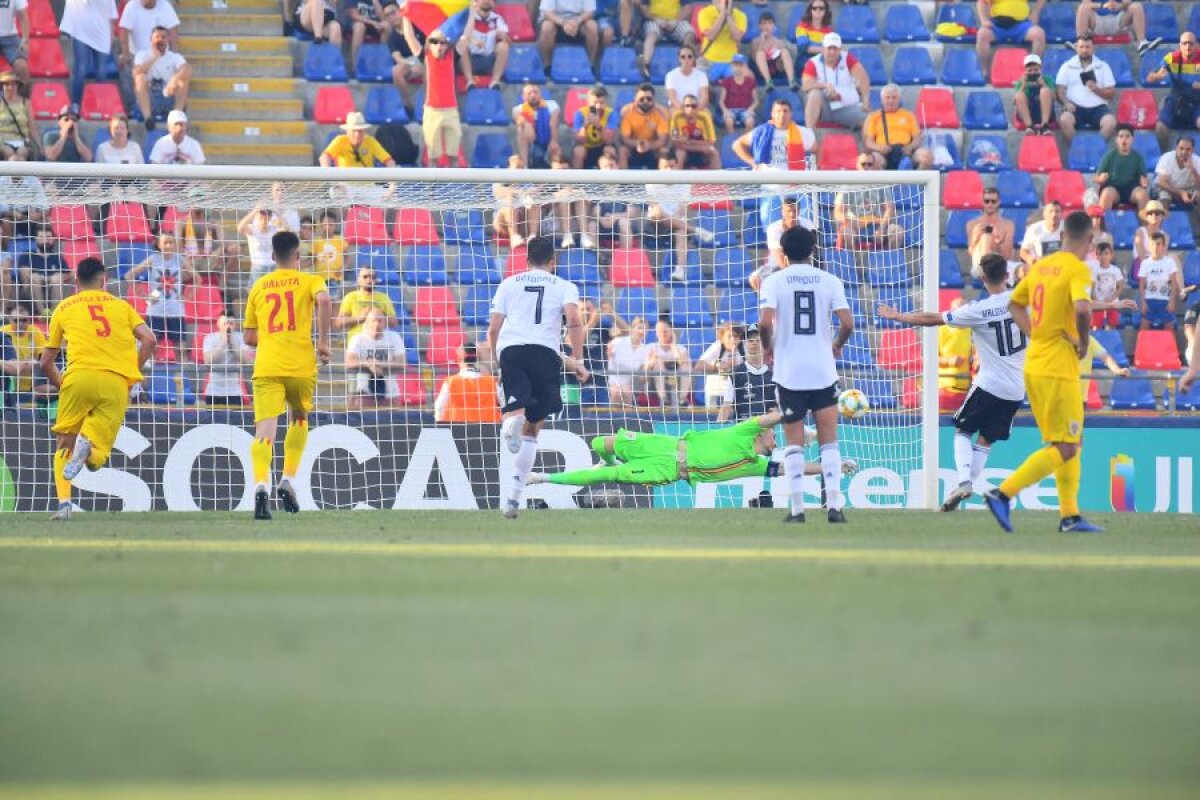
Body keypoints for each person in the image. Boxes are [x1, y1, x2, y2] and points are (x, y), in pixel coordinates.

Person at [984, 210, 1103, 534]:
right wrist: (1083, 341)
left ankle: (1070, 516)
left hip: (1036, 364)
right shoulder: (1077, 268)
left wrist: (1035, 334)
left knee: (1069, 440)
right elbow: (1083, 308)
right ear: (1089, 239)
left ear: (1062, 235)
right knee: (1066, 446)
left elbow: (1014, 304)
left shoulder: (1040, 267)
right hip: (1058, 369)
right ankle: (1002, 493)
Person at [879, 253, 1028, 512]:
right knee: (985, 441)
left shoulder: (978, 310)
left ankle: (963, 481)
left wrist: (899, 316)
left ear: (983, 278)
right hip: (1016, 390)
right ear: (1007, 275)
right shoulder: (1024, 302)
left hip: (989, 384)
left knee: (963, 431)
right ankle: (966, 484)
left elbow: (933, 319)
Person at [38, 258, 157, 520]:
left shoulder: (63, 307)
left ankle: (64, 505)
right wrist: (131, 374)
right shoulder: (122, 306)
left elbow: (45, 362)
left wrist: (64, 385)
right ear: (104, 281)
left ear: (75, 282)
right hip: (115, 383)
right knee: (97, 458)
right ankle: (88, 450)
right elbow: (150, 339)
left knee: (64, 443)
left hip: (78, 378)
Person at [488, 236, 588, 518]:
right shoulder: (564, 286)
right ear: (553, 261)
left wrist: (499, 363)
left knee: (514, 414)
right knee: (533, 430)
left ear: (526, 260)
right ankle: (513, 499)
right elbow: (575, 321)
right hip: (545, 355)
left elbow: (493, 329)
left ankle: (511, 423)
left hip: (512, 352)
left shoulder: (508, 284)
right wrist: (578, 359)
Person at [758, 226, 852, 523]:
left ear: (783, 253)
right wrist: (837, 344)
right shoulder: (830, 280)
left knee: (795, 441)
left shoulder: (773, 281)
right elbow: (848, 323)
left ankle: (797, 510)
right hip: (823, 370)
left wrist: (767, 348)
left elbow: (764, 323)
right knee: (829, 441)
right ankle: (834, 507)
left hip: (790, 372)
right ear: (812, 251)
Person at [243, 231, 332, 520]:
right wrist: (323, 342)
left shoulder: (259, 285)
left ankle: (261, 486)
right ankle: (287, 479)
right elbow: (325, 301)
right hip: (300, 366)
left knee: (264, 433)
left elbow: (248, 337)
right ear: (298, 256)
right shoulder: (311, 280)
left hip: (268, 366)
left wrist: (272, 336)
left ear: (272, 256)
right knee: (299, 418)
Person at [529, 410, 784, 487]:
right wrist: (792, 410)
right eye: (775, 435)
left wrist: (816, 464)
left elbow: (791, 468)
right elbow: (770, 418)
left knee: (607, 476)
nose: (776, 441)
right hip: (664, 444)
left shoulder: (756, 464)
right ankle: (609, 461)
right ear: (763, 432)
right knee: (599, 443)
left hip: (666, 469)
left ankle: (541, 477)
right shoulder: (745, 431)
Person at [125, 232, 196, 347]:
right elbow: (129, 275)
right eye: (165, 243)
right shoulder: (153, 259)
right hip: (155, 309)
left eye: (171, 242)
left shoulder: (180, 259)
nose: (168, 245)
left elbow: (197, 278)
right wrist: (141, 294)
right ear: (159, 245)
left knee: (180, 348)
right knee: (151, 346)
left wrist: (188, 297)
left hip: (176, 310)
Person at [800, 32, 870, 132]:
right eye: (829, 48)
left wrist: (866, 100)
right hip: (824, 108)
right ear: (823, 49)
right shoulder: (813, 62)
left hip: (845, 106)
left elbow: (863, 77)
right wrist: (825, 85)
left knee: (871, 121)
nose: (832, 52)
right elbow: (806, 84)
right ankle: (809, 133)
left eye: (835, 49)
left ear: (840, 49)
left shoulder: (847, 58)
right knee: (814, 94)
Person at [1056, 34, 1117, 143]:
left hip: (1098, 108)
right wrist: (1066, 102)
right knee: (1064, 120)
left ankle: (1096, 148)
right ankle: (1077, 147)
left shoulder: (1103, 66)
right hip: (1074, 107)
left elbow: (1111, 94)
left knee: (1110, 122)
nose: (1084, 50)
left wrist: (1096, 89)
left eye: (1088, 47)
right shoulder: (1067, 66)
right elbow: (1060, 90)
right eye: (1081, 47)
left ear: (1093, 48)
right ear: (1076, 48)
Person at [345, 307, 407, 409]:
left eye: (380, 321)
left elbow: (402, 363)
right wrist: (368, 364)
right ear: (366, 322)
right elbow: (349, 362)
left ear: (385, 322)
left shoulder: (394, 337)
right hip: (363, 394)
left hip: (391, 394)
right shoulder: (357, 339)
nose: (377, 324)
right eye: (373, 321)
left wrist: (379, 364)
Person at [862, 84, 933, 170]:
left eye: (894, 97)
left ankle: (916, 177)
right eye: (887, 97)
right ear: (882, 100)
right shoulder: (874, 117)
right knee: (872, 160)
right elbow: (868, 142)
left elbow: (917, 138)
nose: (891, 100)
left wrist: (911, 147)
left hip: (906, 151)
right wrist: (880, 148)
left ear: (899, 99)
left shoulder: (909, 115)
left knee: (926, 156)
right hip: (884, 153)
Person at [62, 0, 119, 106]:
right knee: (80, 70)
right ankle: (75, 105)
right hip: (81, 32)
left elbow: (111, 15)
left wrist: (111, 33)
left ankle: (101, 105)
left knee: (101, 71)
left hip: (101, 33)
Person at [133, 25, 190, 126]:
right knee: (139, 78)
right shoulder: (142, 55)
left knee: (182, 81)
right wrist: (154, 57)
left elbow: (187, 69)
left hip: (168, 95)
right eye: (157, 37)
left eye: (163, 37)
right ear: (151, 39)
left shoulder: (174, 57)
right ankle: (148, 119)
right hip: (149, 98)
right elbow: (135, 72)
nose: (160, 40)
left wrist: (174, 79)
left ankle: (176, 118)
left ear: (168, 39)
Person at [716, 322, 772, 422]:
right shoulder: (735, 373)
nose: (754, 343)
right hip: (743, 427)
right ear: (745, 344)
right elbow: (726, 405)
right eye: (750, 340)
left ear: (765, 344)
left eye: (758, 340)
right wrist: (717, 427)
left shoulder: (774, 374)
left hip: (769, 428)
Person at [833, 170, 902, 251]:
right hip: (855, 223)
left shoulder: (882, 183)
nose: (867, 167)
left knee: (897, 231)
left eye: (870, 164)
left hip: (878, 222)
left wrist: (881, 228)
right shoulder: (848, 185)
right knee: (846, 232)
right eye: (864, 164)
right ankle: (853, 257)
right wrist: (848, 221)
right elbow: (838, 212)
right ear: (858, 165)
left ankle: (888, 257)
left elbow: (889, 209)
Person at [421, 31, 462, 168]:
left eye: (442, 42)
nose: (438, 45)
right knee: (433, 157)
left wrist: (470, 18)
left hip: (451, 110)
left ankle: (454, 183)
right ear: (429, 44)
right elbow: (410, 38)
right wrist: (406, 19)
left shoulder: (452, 56)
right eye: (434, 42)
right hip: (432, 111)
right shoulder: (426, 57)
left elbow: (465, 37)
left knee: (454, 156)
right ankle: (431, 184)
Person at [1148, 32, 1200, 137]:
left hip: (1197, 101)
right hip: (1176, 99)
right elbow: (1150, 78)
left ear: (1196, 45)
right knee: (1160, 127)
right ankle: (1164, 149)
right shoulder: (1171, 58)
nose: (1188, 46)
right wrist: (1158, 76)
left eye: (1191, 43)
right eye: (1184, 43)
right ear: (1179, 46)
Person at [435, 341, 502, 422]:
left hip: (458, 427)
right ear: (476, 359)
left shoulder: (451, 382)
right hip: (488, 427)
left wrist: (439, 423)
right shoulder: (491, 382)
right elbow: (503, 402)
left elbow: (439, 406)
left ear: (459, 359)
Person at [975, 0, 1046, 74]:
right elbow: (981, 2)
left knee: (1039, 34)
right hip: (997, 25)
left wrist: (1035, 13)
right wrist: (984, 20)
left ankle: (1033, 69)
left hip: (1021, 25)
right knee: (982, 34)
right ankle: (985, 70)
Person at [380, 0, 423, 119]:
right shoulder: (392, 38)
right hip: (410, 64)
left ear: (400, 11)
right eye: (388, 15)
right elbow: (398, 58)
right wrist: (412, 64)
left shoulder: (418, 27)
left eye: (393, 12)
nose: (391, 17)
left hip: (425, 60)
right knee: (396, 71)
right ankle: (407, 107)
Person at [629, 0, 693, 78]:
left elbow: (688, 7)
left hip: (676, 21)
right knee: (651, 35)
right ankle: (645, 65)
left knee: (689, 34)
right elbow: (643, 8)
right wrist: (656, 19)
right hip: (655, 21)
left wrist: (676, 20)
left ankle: (685, 64)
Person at [15, 225, 69, 316]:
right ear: (36, 239)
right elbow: (24, 276)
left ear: (53, 239)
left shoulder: (57, 257)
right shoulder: (27, 255)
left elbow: (67, 274)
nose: (45, 241)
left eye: (48, 237)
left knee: (57, 278)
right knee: (35, 277)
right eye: (42, 237)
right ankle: (42, 314)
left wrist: (52, 278)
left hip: (52, 288)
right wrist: (44, 278)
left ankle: (55, 314)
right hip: (31, 289)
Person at [1074, 0, 1160, 58]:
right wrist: (1103, 5)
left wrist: (1120, 5)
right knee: (1082, 8)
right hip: (1097, 21)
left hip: (1118, 21)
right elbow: (1085, 2)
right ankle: (1080, 44)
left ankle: (1142, 43)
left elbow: (1127, 1)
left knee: (1136, 6)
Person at [456, 0, 510, 88]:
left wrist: (503, 36)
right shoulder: (466, 17)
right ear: (475, 3)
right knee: (462, 44)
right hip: (469, 60)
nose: (486, 2)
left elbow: (508, 42)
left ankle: (495, 81)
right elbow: (457, 37)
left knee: (504, 46)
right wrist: (472, 41)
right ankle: (469, 81)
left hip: (489, 60)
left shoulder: (497, 19)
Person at [1096, 124, 1149, 212]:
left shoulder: (1138, 157)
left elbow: (1144, 178)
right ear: (1116, 139)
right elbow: (1096, 177)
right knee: (1106, 194)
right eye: (1121, 136)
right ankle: (1104, 221)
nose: (1124, 139)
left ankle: (1144, 221)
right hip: (1113, 188)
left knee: (1143, 195)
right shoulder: (1109, 156)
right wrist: (1101, 178)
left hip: (1132, 189)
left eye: (1127, 136)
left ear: (1133, 139)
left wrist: (1144, 182)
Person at [202, 314, 252, 405]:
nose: (228, 326)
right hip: (213, 391)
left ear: (235, 325)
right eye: (225, 323)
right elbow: (208, 361)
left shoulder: (241, 337)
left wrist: (232, 343)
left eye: (231, 323)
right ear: (218, 324)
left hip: (234, 391)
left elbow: (246, 361)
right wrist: (223, 343)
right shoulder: (210, 338)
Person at [1137, 231, 1182, 331]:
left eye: (1158, 244)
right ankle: (1142, 342)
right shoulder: (1145, 263)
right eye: (1153, 244)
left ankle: (1171, 342)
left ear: (1163, 246)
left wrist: (1172, 301)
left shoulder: (1169, 262)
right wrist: (1143, 302)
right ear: (1149, 246)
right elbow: (1141, 284)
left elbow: (1173, 283)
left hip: (1165, 300)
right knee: (1144, 326)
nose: (1155, 247)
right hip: (1149, 300)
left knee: (1169, 328)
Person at [0, 300, 45, 398]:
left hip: (31, 386)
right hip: (10, 386)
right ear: (10, 320)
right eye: (16, 320)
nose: (20, 323)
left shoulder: (36, 333)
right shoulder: (3, 333)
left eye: (24, 320)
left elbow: (43, 359)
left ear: (29, 320)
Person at [967, 187, 1016, 276]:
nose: (990, 204)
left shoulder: (1008, 225)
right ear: (982, 202)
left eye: (993, 201)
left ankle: (990, 272)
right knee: (986, 237)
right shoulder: (972, 224)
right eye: (987, 201)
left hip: (1000, 265)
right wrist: (975, 238)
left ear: (998, 202)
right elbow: (971, 252)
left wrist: (998, 240)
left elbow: (1007, 255)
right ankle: (988, 271)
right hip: (980, 266)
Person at [336, 267, 397, 337]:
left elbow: (394, 323)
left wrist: (377, 315)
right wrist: (360, 318)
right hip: (357, 340)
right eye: (365, 277)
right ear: (358, 280)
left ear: (376, 280)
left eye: (373, 277)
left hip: (378, 340)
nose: (369, 279)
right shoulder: (350, 297)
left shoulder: (384, 298)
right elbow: (339, 323)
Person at [319, 112, 396, 167]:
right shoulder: (340, 140)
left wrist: (392, 182)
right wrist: (327, 171)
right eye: (354, 131)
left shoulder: (370, 141)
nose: (357, 134)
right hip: (345, 184)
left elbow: (389, 160)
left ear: (364, 131)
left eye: (360, 131)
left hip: (368, 184)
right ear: (347, 131)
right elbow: (325, 157)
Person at [512, 82, 561, 168]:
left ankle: (554, 167)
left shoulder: (552, 105)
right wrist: (527, 125)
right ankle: (525, 165)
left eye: (535, 92)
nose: (533, 95)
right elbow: (518, 118)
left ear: (540, 94)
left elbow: (553, 124)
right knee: (521, 128)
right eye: (529, 93)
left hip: (548, 141)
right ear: (523, 96)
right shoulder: (517, 109)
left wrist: (553, 141)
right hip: (530, 143)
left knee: (555, 148)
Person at [644, 317, 691, 407]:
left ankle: (682, 398)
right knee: (658, 362)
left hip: (677, 379)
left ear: (671, 331)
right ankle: (663, 398)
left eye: (665, 331)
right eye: (659, 331)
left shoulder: (680, 348)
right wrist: (652, 362)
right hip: (654, 381)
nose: (662, 334)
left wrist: (673, 345)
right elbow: (645, 370)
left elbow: (682, 362)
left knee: (686, 362)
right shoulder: (651, 347)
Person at [538, 0, 600, 66]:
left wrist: (576, 21)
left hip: (579, 20)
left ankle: (590, 65)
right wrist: (564, 23)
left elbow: (590, 11)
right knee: (546, 27)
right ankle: (547, 66)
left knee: (592, 26)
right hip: (556, 20)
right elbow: (546, 12)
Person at [695, 0, 745, 80]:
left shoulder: (740, 15)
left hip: (731, 60)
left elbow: (737, 37)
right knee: (698, 79)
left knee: (743, 78)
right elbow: (710, 35)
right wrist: (722, 14)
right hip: (708, 59)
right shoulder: (704, 13)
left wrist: (728, 15)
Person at [605, 316, 649, 406]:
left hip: (630, 385)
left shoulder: (645, 350)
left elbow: (642, 377)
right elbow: (606, 360)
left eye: (645, 329)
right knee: (616, 393)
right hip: (612, 382)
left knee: (626, 391)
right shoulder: (617, 342)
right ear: (632, 329)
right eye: (640, 328)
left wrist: (649, 364)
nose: (642, 331)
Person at [669, 93, 718, 170]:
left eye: (693, 106)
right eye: (687, 106)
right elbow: (674, 140)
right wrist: (686, 143)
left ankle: (717, 176)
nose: (690, 109)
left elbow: (711, 141)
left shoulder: (705, 117)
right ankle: (677, 177)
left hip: (698, 148)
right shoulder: (676, 116)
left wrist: (688, 141)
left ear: (698, 108)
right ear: (682, 107)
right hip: (683, 148)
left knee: (713, 151)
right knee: (680, 153)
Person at [1154, 136, 1200, 217]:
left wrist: (1192, 169)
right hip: (1168, 189)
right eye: (1181, 148)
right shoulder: (1167, 158)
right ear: (1176, 148)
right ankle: (1161, 223)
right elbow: (1162, 182)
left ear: (1192, 150)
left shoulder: (1197, 160)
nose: (1184, 152)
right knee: (1164, 198)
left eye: (1188, 149)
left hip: (1188, 190)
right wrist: (1180, 193)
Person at [575, 85, 619, 169]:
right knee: (578, 151)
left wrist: (598, 126)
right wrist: (585, 126)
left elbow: (609, 140)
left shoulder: (612, 114)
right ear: (588, 102)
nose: (598, 106)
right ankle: (577, 177)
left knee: (610, 150)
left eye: (601, 103)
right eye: (595, 103)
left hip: (602, 146)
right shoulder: (580, 113)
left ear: (606, 103)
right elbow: (580, 141)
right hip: (586, 146)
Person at [750, 11, 796, 90]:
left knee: (784, 51)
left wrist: (780, 60)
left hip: (777, 67)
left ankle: (792, 81)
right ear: (759, 26)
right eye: (764, 23)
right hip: (761, 70)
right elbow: (754, 58)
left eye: (770, 23)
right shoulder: (755, 41)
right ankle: (768, 82)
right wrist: (762, 41)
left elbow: (785, 58)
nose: (766, 26)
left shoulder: (779, 42)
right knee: (760, 54)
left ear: (774, 26)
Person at [1013, 53, 1055, 134]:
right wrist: (1023, 86)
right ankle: (1029, 126)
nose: (1033, 73)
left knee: (1045, 91)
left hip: (1045, 112)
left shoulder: (1047, 79)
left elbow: (1054, 97)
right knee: (1019, 95)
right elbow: (1015, 101)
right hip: (1027, 113)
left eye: (1036, 70)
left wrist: (1043, 84)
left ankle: (1045, 126)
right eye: (1030, 70)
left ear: (1040, 69)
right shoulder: (1021, 81)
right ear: (1025, 70)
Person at [717, 54, 758, 135]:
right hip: (730, 109)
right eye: (736, 65)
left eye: (741, 65)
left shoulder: (751, 82)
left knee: (750, 121)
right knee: (728, 121)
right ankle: (732, 139)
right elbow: (721, 101)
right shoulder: (727, 81)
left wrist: (751, 108)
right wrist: (725, 110)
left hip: (746, 109)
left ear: (745, 66)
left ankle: (745, 140)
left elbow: (756, 100)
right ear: (732, 66)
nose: (738, 68)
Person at [0, 72, 37, 161]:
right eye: (7, 84)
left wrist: (40, 146)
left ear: (17, 86)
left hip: (21, 138)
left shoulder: (25, 102)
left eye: (13, 85)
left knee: (22, 154)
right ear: (2, 86)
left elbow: (32, 126)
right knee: (11, 156)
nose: (10, 87)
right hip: (2, 138)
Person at [346, 0, 390, 75]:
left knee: (386, 25)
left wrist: (376, 3)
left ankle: (381, 64)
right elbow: (354, 16)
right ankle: (355, 66)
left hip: (376, 26)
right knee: (359, 27)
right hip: (359, 24)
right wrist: (372, 22)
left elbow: (385, 19)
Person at [1089, 241, 1125, 329]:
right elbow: (1092, 288)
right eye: (1100, 254)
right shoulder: (1094, 270)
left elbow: (1120, 286)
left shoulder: (1115, 270)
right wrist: (1097, 301)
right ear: (1097, 256)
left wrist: (1113, 297)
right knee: (1096, 327)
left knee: (1112, 326)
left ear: (1111, 255)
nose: (1103, 256)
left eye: (1106, 253)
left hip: (1112, 303)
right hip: (1098, 304)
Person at [664, 44, 709, 112]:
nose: (686, 59)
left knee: (707, 114)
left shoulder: (702, 75)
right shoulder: (670, 75)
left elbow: (704, 97)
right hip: (677, 108)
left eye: (689, 57)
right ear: (679, 59)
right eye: (683, 57)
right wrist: (685, 110)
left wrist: (695, 109)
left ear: (694, 58)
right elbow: (672, 98)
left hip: (697, 108)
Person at [1020, 200, 1063, 270]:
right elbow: (1023, 251)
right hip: (1040, 268)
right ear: (1044, 214)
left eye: (1057, 211)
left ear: (1061, 214)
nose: (1054, 215)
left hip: (1062, 268)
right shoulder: (1034, 229)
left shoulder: (1067, 228)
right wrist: (1029, 258)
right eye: (1050, 211)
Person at [311, 211, 346, 290]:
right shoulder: (316, 241)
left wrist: (343, 268)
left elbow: (347, 257)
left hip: (336, 278)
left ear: (335, 225)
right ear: (320, 225)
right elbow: (312, 259)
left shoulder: (340, 240)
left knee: (334, 297)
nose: (328, 227)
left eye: (331, 225)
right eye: (325, 224)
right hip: (320, 278)